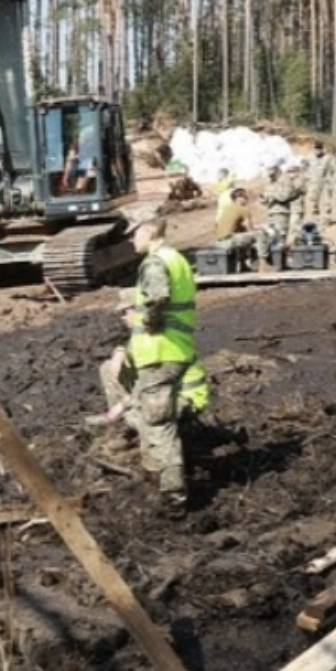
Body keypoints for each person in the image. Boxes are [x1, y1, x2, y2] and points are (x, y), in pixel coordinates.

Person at [92, 212, 209, 511]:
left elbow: (157, 297)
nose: (131, 240)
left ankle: (173, 494)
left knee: (158, 423)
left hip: (159, 352)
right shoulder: (177, 259)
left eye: (134, 234)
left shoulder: (155, 262)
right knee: (152, 415)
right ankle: (155, 468)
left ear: (148, 232)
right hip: (177, 349)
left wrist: (145, 322)